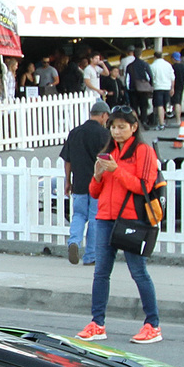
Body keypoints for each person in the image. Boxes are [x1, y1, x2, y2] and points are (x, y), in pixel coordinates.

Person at [77, 107, 161, 345]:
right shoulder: (109, 151)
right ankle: (97, 323)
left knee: (138, 271)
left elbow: (142, 186)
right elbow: (95, 192)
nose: (116, 131)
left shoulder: (143, 152)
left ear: (134, 127)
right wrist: (97, 175)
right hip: (105, 217)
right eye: (113, 126)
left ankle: (152, 324)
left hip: (132, 219)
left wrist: (117, 170)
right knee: (101, 271)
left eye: (122, 126)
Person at [59, 100, 112, 264]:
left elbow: (67, 160)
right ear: (103, 115)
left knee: (79, 215)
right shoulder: (105, 135)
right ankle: (90, 256)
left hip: (79, 184)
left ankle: (74, 241)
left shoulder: (75, 133)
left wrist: (68, 181)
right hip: (98, 184)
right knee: (95, 218)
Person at [148, 51, 175, 129]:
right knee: (166, 104)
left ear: (155, 57)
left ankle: (161, 122)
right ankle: (164, 120)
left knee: (159, 105)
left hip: (158, 87)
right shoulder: (168, 65)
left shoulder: (153, 66)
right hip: (167, 87)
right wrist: (172, 88)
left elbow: (151, 77)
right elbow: (172, 77)